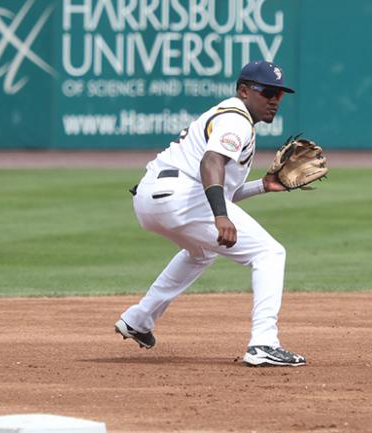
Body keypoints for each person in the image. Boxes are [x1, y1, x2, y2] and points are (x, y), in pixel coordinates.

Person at [114, 60, 306, 367]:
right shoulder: (237, 120)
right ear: (244, 91)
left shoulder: (228, 115)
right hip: (181, 197)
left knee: (201, 253)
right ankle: (263, 343)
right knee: (269, 253)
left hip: (153, 198)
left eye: (280, 94)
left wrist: (263, 186)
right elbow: (211, 162)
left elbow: (217, 188)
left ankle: (140, 318)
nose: (274, 100)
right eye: (267, 91)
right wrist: (220, 215)